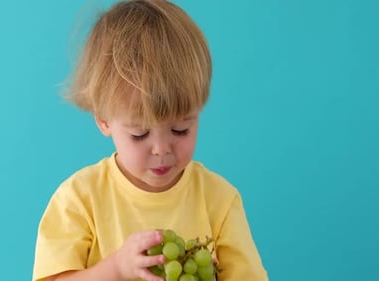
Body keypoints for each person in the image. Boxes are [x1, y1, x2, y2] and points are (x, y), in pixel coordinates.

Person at [32, 1, 268, 280]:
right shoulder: (79, 200)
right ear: (103, 119)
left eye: (181, 129)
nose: (161, 149)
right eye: (139, 134)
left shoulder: (219, 200)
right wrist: (116, 268)